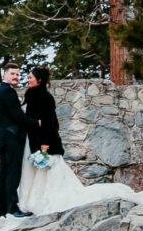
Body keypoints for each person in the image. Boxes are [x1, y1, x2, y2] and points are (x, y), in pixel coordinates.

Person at [19, 65, 94, 215]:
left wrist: (45, 143)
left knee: (49, 172)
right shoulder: (31, 94)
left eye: (30, 77)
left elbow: (50, 123)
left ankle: (47, 202)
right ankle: (36, 201)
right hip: (33, 140)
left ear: (39, 80)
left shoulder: (45, 97)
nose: (27, 80)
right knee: (39, 172)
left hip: (45, 141)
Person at [0, 63, 27, 216]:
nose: (16, 77)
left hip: (4, 138)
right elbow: (18, 116)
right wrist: (37, 123)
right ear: (4, 75)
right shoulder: (7, 92)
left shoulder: (3, 90)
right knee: (12, 173)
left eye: (18, 74)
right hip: (12, 138)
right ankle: (12, 209)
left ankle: (1, 210)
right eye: (12, 74)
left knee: (4, 174)